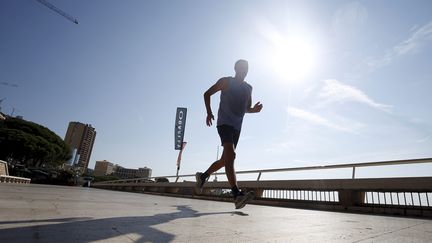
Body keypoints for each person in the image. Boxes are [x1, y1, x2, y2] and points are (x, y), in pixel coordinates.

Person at [196, 59, 263, 209]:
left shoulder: (248, 88)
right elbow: (207, 94)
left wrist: (255, 110)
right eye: (241, 68)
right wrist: (209, 112)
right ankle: (236, 195)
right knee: (231, 155)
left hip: (237, 128)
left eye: (246, 68)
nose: (244, 71)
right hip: (224, 123)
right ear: (235, 68)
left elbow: (247, 108)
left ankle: (203, 176)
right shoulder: (226, 82)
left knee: (225, 159)